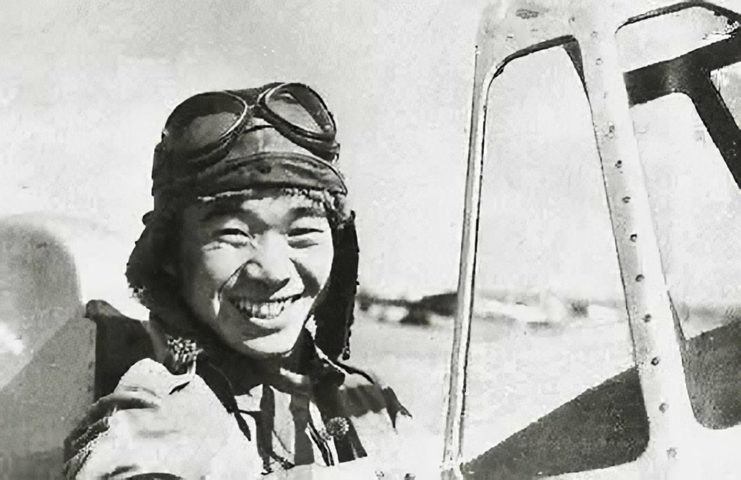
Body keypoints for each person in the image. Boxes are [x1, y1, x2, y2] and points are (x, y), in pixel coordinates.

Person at [64, 83, 421, 479]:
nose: (272, 271)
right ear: (171, 257)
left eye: (302, 233)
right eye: (232, 234)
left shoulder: (367, 398)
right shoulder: (159, 405)